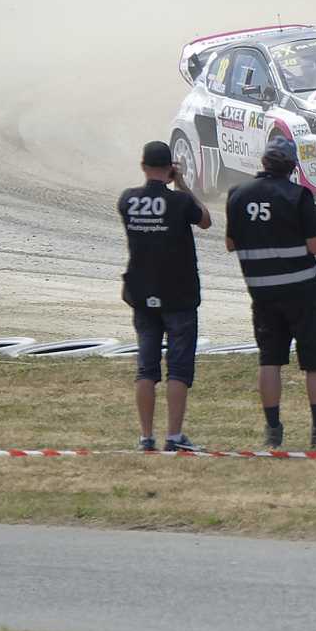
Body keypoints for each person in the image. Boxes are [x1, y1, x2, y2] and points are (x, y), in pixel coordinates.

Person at [225, 132, 316, 450]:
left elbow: (230, 244)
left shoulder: (237, 194)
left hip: (262, 293)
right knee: (315, 361)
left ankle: (273, 430)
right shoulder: (298, 196)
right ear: (292, 166)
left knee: (269, 360)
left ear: (263, 162)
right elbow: (315, 246)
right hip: (302, 291)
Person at [120, 139, 211, 452]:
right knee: (179, 368)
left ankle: (146, 436)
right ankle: (173, 435)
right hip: (179, 293)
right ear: (170, 167)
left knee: (146, 368)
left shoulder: (127, 200)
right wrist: (182, 182)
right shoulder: (180, 202)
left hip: (142, 292)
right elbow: (205, 220)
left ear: (143, 166)